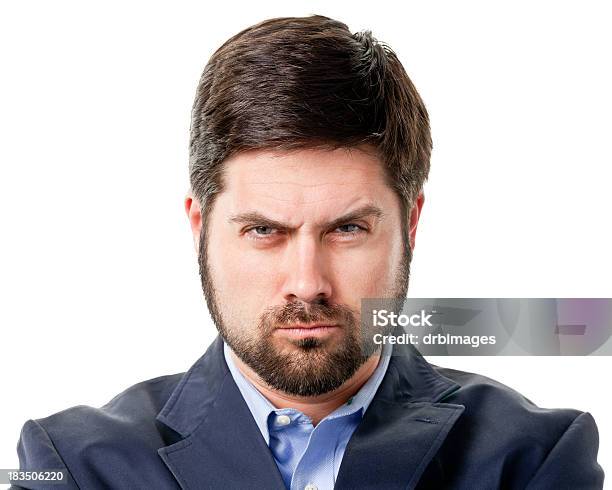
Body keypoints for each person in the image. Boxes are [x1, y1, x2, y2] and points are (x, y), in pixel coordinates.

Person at [12, 15, 604, 490]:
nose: (307, 282)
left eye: (346, 229)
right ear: (200, 228)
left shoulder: (532, 459)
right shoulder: (72, 466)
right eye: (264, 231)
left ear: (411, 223)